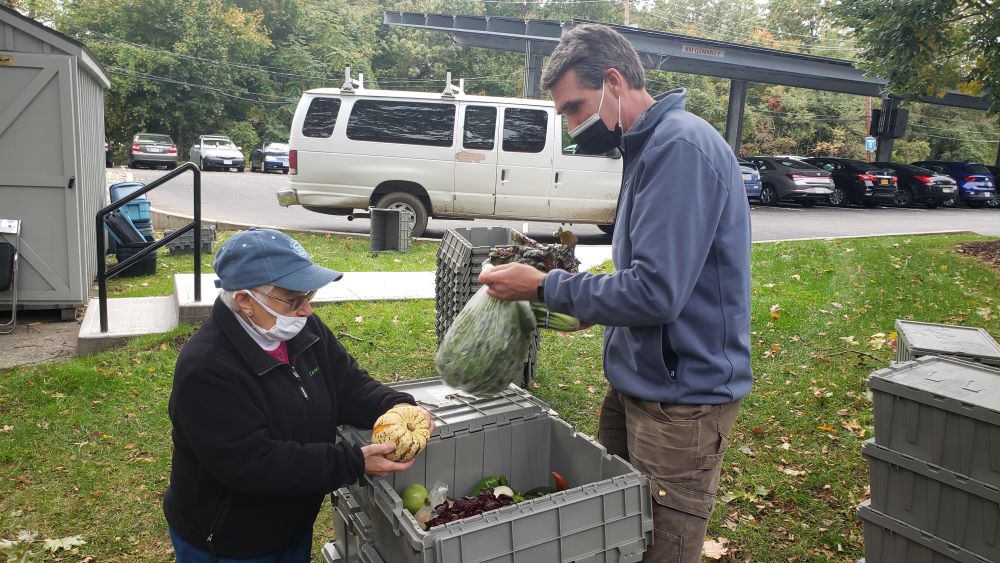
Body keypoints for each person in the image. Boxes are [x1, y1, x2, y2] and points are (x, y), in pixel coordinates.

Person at [479, 24, 752, 563]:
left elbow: (657, 293)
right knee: (618, 536)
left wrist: (546, 286)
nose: (574, 125)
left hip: (681, 401)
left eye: (576, 108)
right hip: (640, 382)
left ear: (613, 81)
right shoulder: (647, 145)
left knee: (661, 549)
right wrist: (588, 305)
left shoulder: (679, 149)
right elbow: (649, 276)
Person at [163, 228, 432, 562]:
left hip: (291, 520)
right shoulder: (206, 370)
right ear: (246, 300)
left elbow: (346, 384)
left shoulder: (302, 329)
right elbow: (254, 463)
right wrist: (352, 462)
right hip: (230, 540)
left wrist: (396, 405)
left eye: (309, 295)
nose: (307, 310)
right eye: (294, 300)